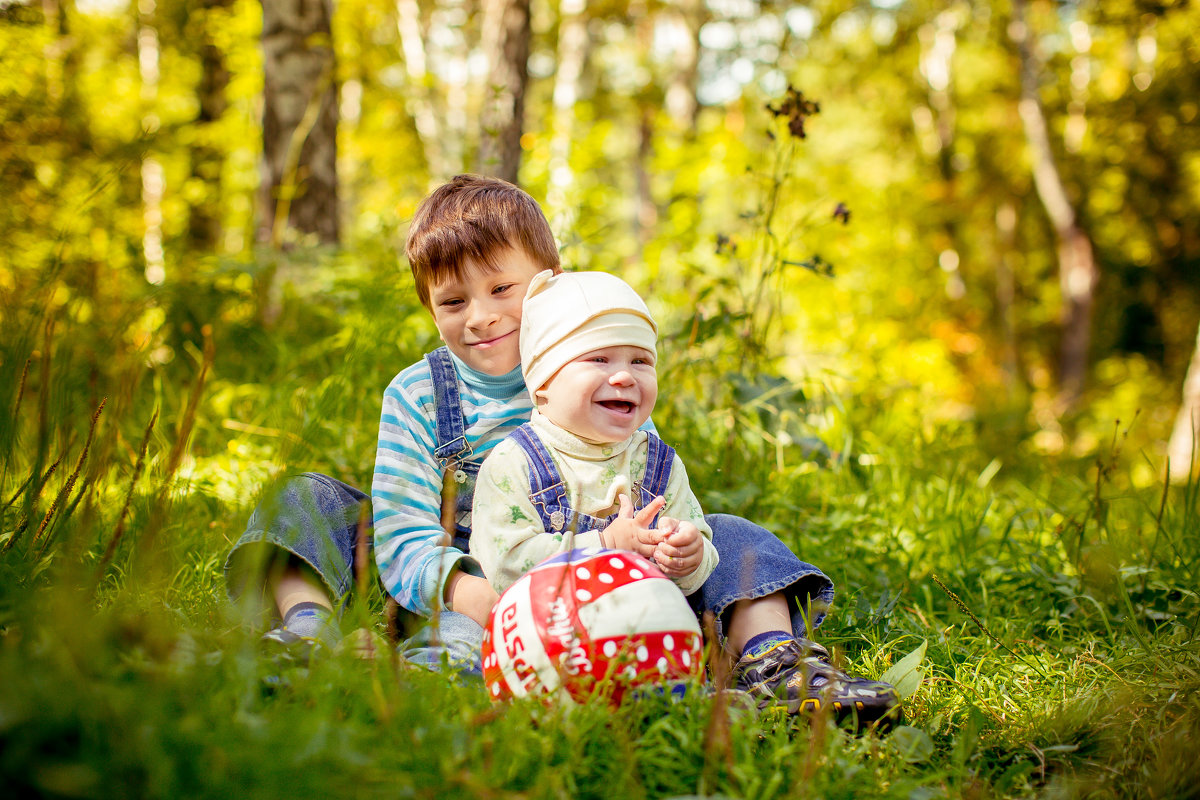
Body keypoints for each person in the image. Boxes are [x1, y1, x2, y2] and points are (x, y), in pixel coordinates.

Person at [223, 174, 898, 725]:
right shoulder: (419, 394)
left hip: (599, 581)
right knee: (308, 498)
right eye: (452, 301)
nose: (480, 315)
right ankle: (306, 638)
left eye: (501, 289)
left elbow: (654, 493)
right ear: (429, 306)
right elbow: (403, 531)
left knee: (731, 536)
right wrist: (472, 592)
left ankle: (775, 661)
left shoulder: (607, 379)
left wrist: (673, 547)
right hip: (460, 578)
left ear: (549, 282)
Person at [471, 269, 719, 596]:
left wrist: (688, 556)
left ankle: (767, 638)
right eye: (599, 358)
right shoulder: (512, 464)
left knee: (739, 540)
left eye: (640, 361)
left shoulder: (658, 463)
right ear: (543, 383)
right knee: (458, 632)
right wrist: (604, 545)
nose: (624, 377)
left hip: (644, 627)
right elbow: (504, 566)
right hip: (546, 631)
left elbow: (696, 558)